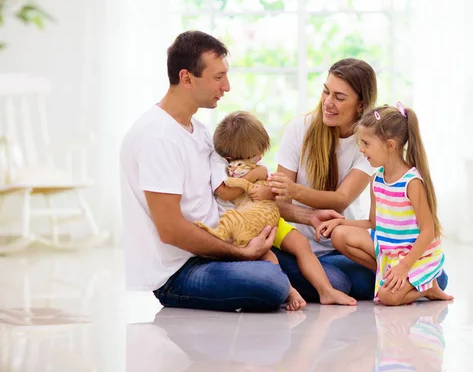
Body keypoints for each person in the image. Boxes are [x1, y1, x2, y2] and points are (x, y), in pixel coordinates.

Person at [119, 30, 341, 312]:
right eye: (218, 77)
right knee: (271, 283)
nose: (227, 87)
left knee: (339, 279)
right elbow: (171, 230)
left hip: (224, 246)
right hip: (180, 270)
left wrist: (308, 216)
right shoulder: (157, 137)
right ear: (187, 78)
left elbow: (236, 197)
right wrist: (243, 254)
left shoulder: (199, 133)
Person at [209, 111, 356, 309]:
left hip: (269, 217)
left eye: (260, 154)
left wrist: (266, 187)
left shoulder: (255, 163)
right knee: (269, 257)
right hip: (247, 225)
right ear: (231, 157)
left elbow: (271, 193)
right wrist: (255, 174)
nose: (259, 158)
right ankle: (290, 291)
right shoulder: (222, 164)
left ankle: (325, 291)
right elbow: (226, 192)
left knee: (300, 243)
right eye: (254, 155)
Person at [317, 103, 454, 305]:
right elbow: (374, 224)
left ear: (390, 145)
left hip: (416, 255)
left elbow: (428, 231)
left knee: (388, 298)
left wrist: (405, 266)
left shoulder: (412, 182)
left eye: (366, 143)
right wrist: (340, 223)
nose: (361, 150)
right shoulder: (377, 179)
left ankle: (429, 288)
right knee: (339, 235)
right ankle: (393, 276)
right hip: (389, 250)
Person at [267, 58, 380, 301]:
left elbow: (340, 201)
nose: (328, 102)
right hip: (298, 248)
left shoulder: (369, 143)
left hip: (341, 246)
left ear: (360, 105)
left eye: (340, 97)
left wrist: (294, 190)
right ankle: (312, 279)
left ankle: (319, 280)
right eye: (326, 91)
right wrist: (305, 212)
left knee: (436, 277)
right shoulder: (300, 129)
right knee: (342, 282)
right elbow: (277, 202)